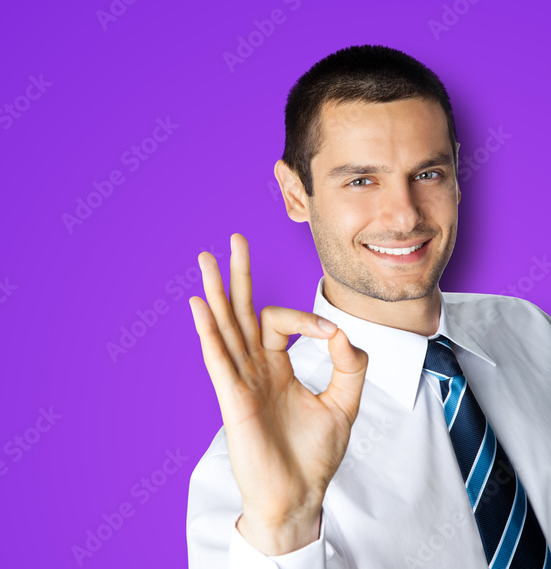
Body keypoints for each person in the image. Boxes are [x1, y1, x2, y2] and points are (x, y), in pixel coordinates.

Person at [185, 44, 551, 568]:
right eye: (361, 181)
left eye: (428, 174)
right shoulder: (246, 473)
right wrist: (287, 525)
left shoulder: (528, 329)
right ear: (295, 194)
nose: (405, 217)